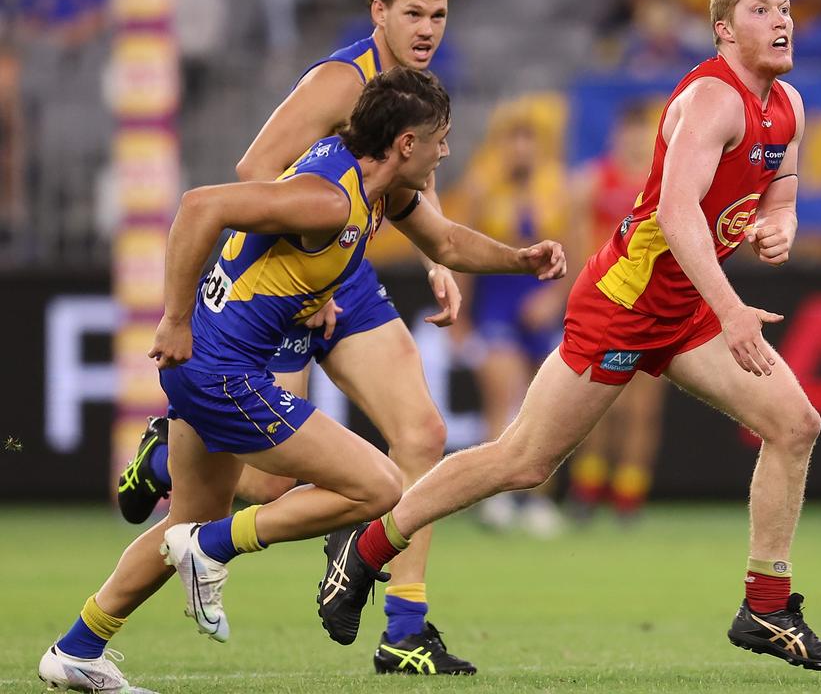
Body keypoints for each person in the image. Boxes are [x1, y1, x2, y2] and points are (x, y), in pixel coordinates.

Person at [319, 0, 821, 672]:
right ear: (724, 30)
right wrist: (732, 311)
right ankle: (368, 546)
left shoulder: (788, 104)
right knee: (524, 461)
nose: (782, 19)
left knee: (795, 424)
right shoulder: (709, 100)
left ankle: (766, 607)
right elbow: (674, 212)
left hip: (686, 306)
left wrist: (781, 220)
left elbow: (779, 184)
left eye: (785, 7)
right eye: (762, 9)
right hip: (628, 303)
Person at [38, 67, 567, 693]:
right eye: (439, 138)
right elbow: (199, 205)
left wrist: (518, 260)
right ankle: (215, 546)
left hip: (210, 371)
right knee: (378, 485)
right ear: (404, 145)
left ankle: (77, 647)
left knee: (183, 519)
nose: (446, 150)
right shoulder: (329, 199)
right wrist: (174, 318)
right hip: (220, 374)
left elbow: (446, 242)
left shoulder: (381, 188)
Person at [114, 0, 479, 674]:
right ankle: (167, 452)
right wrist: (302, 282)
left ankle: (404, 626)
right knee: (272, 483)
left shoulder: (415, 89)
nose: (427, 27)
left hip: (344, 278)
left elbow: (406, 179)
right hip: (294, 276)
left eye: (438, 13)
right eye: (413, 13)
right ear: (379, 12)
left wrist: (438, 255)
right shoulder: (342, 79)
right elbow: (255, 170)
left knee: (422, 433)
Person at [455, 101, 571, 537]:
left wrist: (555, 299)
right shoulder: (482, 188)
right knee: (502, 397)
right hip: (498, 307)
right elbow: (461, 255)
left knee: (551, 405)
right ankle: (496, 497)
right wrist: (462, 318)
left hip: (542, 309)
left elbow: (576, 255)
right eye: (513, 140)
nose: (521, 150)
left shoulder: (559, 189)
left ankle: (539, 499)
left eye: (529, 141)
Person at [565, 101, 667, 522]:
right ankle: (588, 490)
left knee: (642, 408)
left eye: (642, 134)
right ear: (616, 136)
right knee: (596, 402)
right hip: (604, 304)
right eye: (628, 133)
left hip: (651, 306)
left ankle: (629, 495)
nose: (634, 141)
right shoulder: (590, 181)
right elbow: (572, 238)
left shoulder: (662, 182)